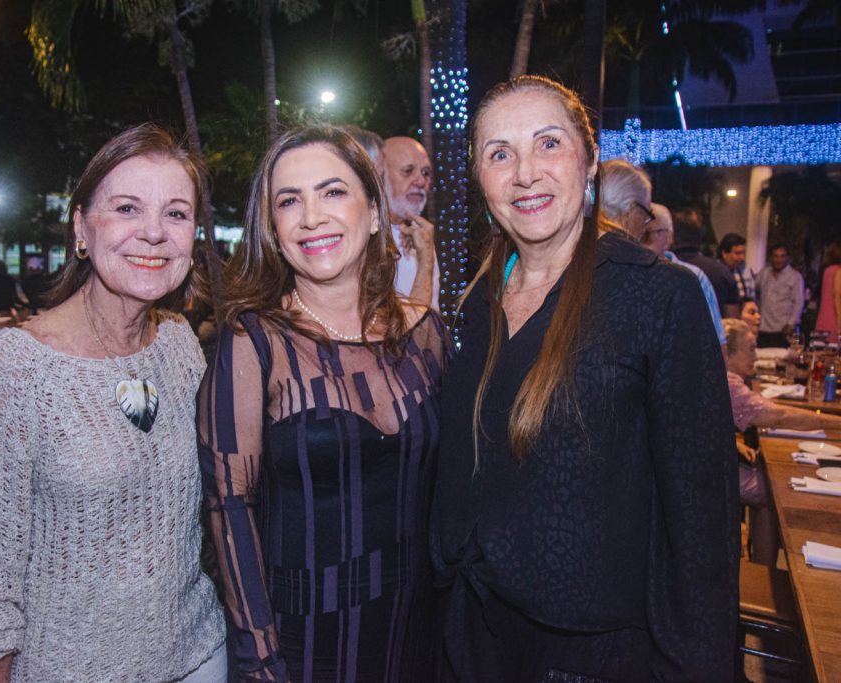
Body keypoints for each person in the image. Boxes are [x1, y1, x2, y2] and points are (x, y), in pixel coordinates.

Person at [431, 75, 738, 681]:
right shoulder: (475, 303)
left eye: (548, 144)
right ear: (480, 178)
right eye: (500, 154)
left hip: (592, 657)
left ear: (590, 159)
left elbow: (703, 524)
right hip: (471, 642)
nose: (525, 173)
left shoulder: (657, 296)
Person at [0, 123, 226, 682]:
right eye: (126, 208)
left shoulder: (179, 346)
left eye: (175, 213)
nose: (153, 233)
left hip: (199, 655)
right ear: (80, 227)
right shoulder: (20, 365)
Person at [198, 126, 448, 681]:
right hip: (304, 643)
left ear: (375, 211)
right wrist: (261, 657)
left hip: (420, 629)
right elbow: (229, 509)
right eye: (289, 201)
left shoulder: (427, 332)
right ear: (274, 228)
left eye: (332, 192)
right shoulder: (253, 342)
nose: (311, 216)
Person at [723, 318, 841, 563]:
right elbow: (779, 417)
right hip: (705, 473)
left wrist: (734, 443)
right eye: (751, 349)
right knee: (775, 491)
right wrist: (835, 422)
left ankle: (758, 559)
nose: (756, 356)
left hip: (707, 462)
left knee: (770, 477)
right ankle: (763, 570)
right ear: (727, 352)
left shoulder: (724, 377)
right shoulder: (728, 383)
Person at [642, 203, 726, 349]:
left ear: (669, 236)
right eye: (638, 233)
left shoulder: (693, 276)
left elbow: (717, 341)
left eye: (648, 235)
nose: (640, 242)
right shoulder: (629, 275)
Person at [382, 136, 440, 310]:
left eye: (426, 173)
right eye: (408, 171)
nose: (421, 181)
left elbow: (432, 317)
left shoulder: (422, 235)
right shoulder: (362, 240)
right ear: (380, 176)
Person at [672, 207, 740, 318]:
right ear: (701, 235)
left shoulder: (663, 269)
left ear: (673, 235)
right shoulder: (722, 272)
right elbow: (733, 323)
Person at [754, 245, 804, 348]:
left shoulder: (795, 276)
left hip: (783, 329)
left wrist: (791, 324)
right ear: (771, 257)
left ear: (787, 258)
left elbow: (798, 302)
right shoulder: (764, 273)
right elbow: (755, 292)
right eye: (776, 256)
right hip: (763, 328)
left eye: (782, 256)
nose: (779, 260)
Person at [598, 158, 653, 241]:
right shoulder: (635, 253)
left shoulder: (575, 246)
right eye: (645, 215)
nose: (645, 229)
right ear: (632, 209)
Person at [814, 243, 841, 341]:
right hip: (834, 320)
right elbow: (837, 296)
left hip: (824, 318)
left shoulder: (827, 271)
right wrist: (839, 323)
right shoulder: (838, 271)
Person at [719, 232, 755, 300]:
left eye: (743, 253)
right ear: (724, 253)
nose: (742, 257)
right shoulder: (715, 272)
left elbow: (752, 298)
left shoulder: (745, 272)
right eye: (738, 253)